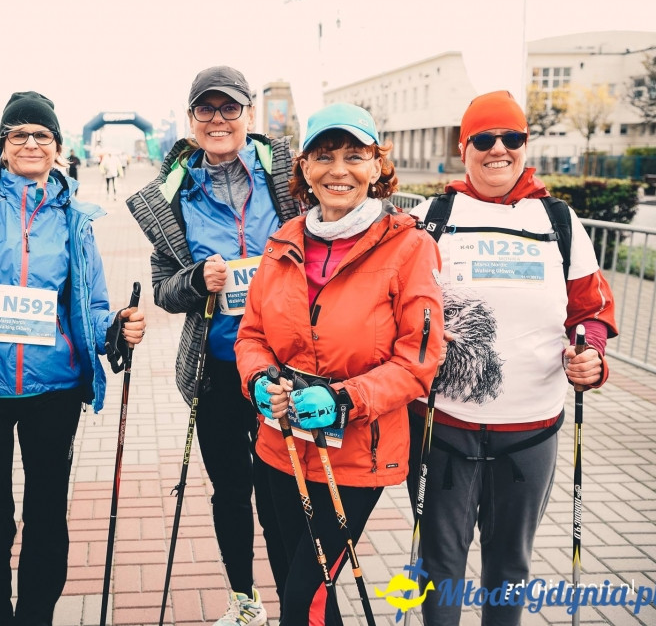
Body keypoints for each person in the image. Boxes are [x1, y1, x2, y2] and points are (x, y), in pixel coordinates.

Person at [0, 90, 145, 626]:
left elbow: (88, 301)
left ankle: (36, 617)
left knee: (48, 518)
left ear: (59, 147)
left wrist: (114, 332)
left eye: (42, 135)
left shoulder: (74, 218)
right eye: (18, 133)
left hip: (53, 391)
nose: (30, 143)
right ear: (1, 145)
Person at [406, 90, 618, 625]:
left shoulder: (558, 221)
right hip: (444, 429)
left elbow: (590, 310)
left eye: (512, 138)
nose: (498, 149)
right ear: (464, 146)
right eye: (484, 138)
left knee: (509, 568)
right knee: (438, 567)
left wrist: (590, 354)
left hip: (531, 432)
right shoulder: (433, 216)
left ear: (525, 143)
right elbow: (391, 301)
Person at [235, 102, 443, 626]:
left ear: (376, 167)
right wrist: (259, 380)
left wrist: (344, 399)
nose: (339, 170)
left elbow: (418, 361)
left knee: (305, 594)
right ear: (304, 168)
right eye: (324, 156)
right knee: (295, 586)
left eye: (355, 155)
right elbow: (252, 334)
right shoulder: (282, 242)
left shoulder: (410, 247)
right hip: (279, 445)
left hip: (354, 455)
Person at [127, 65, 299, 625]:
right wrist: (198, 281)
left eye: (230, 108)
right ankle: (245, 602)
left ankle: (298, 603)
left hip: (287, 367)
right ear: (192, 119)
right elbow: (163, 290)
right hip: (218, 368)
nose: (218, 119)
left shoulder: (286, 178)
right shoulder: (173, 196)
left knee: (285, 493)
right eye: (207, 109)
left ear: (248, 114)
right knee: (231, 490)